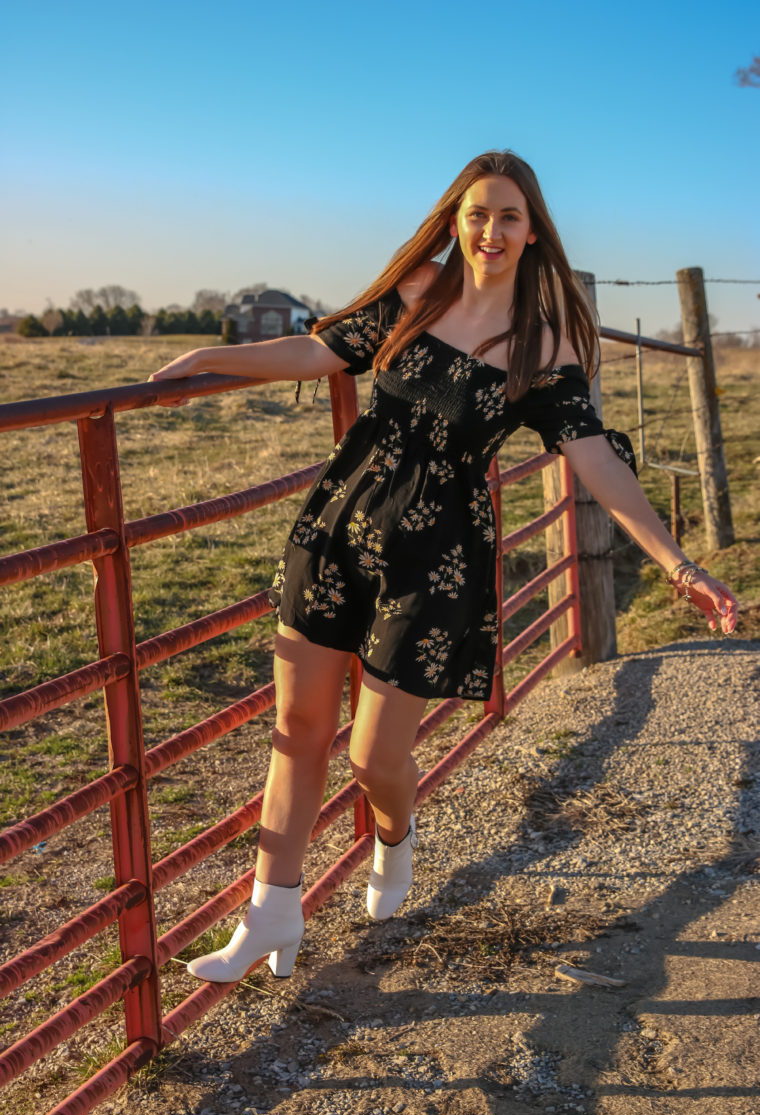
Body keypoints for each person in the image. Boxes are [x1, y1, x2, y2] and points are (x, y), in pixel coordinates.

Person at [149, 150, 738, 984]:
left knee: (370, 756)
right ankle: (271, 912)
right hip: (336, 534)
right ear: (455, 221)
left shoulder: (544, 340)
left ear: (533, 233)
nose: (489, 231)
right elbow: (321, 352)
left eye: (507, 217)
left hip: (437, 563)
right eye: (476, 214)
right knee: (299, 733)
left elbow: (596, 460)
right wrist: (209, 362)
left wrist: (679, 567)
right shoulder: (419, 290)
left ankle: (395, 837)